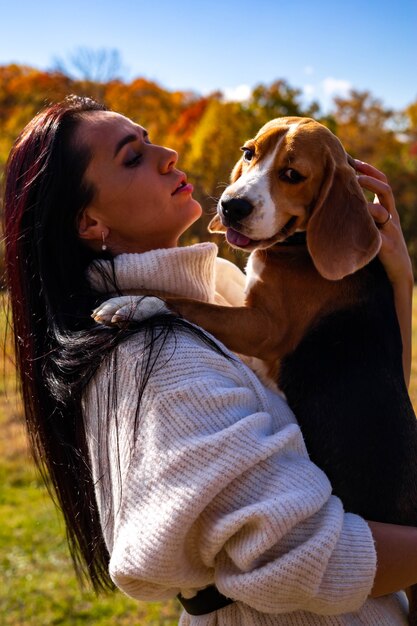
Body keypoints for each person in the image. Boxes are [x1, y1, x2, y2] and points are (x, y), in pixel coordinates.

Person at [2, 94, 416, 625]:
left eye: (152, 138)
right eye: (134, 156)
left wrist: (398, 277)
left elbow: (375, 400)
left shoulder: (219, 293)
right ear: (89, 222)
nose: (170, 153)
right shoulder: (158, 355)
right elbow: (299, 556)